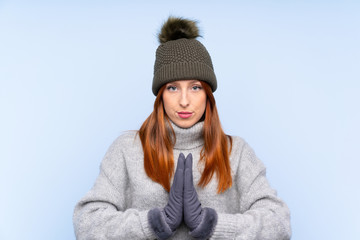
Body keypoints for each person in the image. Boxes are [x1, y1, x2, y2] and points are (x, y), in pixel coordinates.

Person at [73, 16, 291, 240]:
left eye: (195, 87)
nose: (185, 101)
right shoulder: (126, 150)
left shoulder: (236, 152)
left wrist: (211, 224)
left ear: (208, 94)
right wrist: (155, 222)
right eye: (173, 88)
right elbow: (87, 223)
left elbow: (278, 223)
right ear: (161, 95)